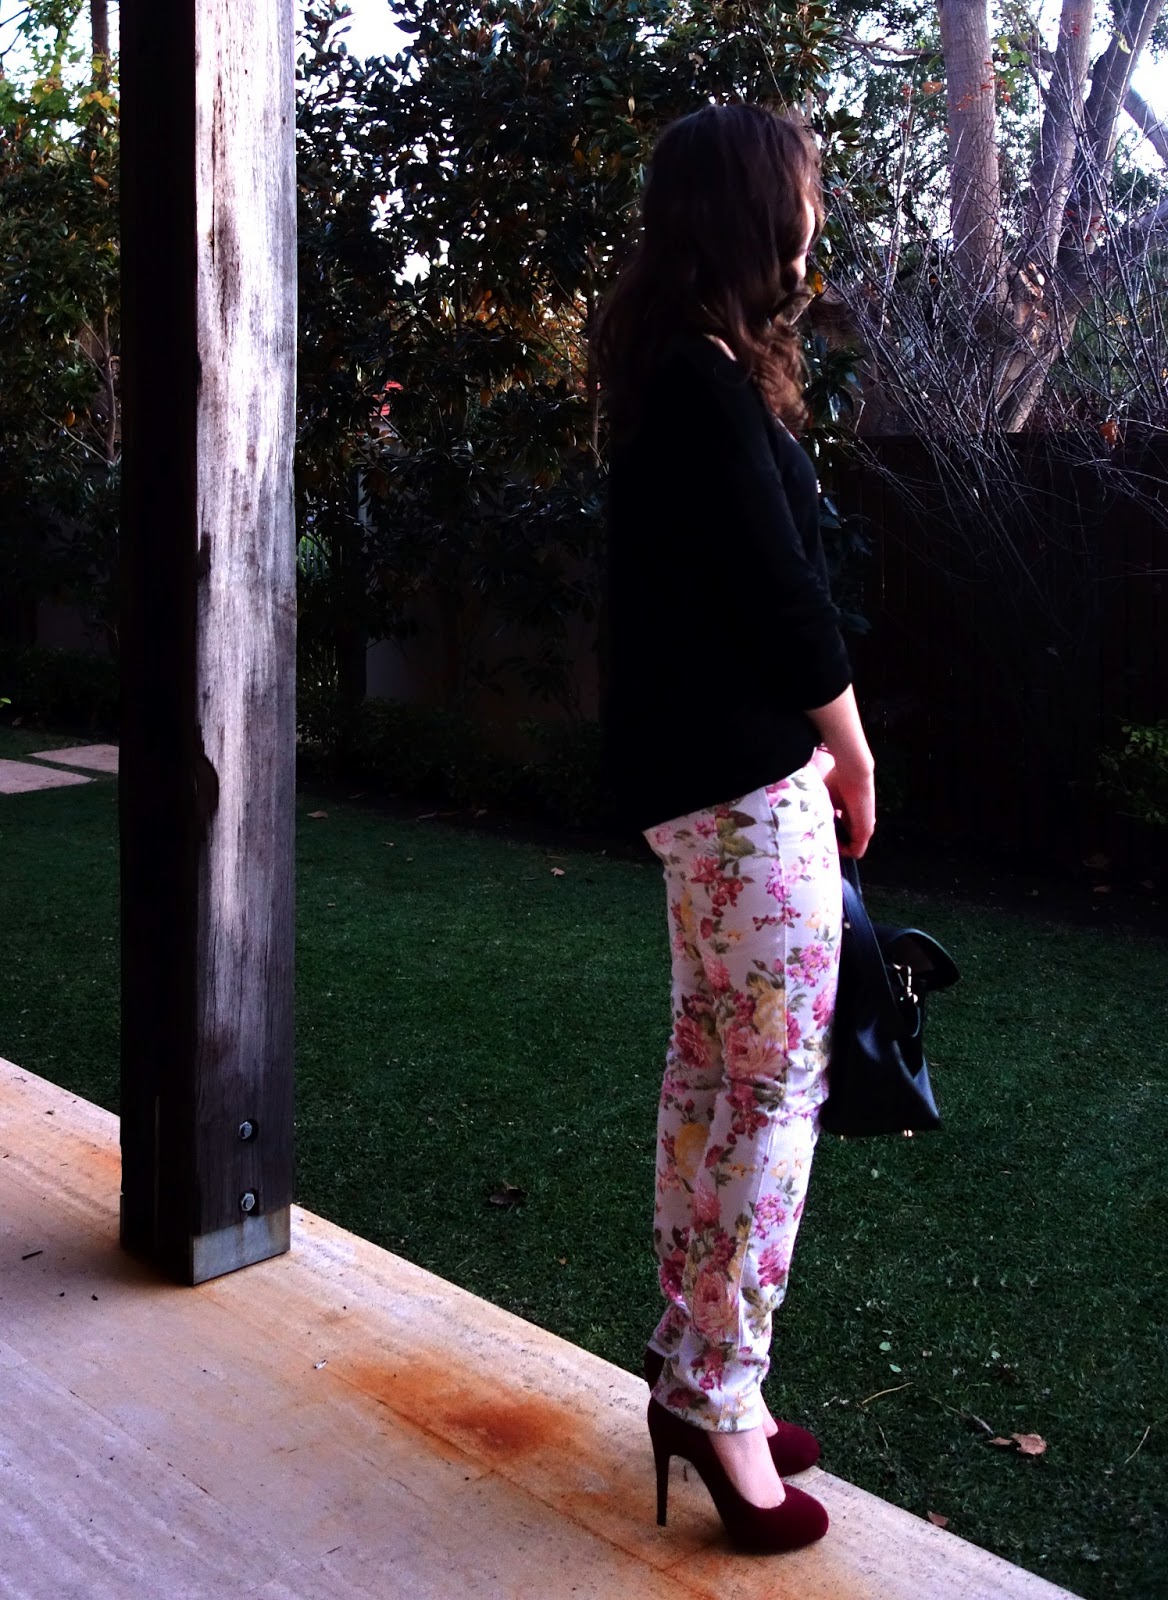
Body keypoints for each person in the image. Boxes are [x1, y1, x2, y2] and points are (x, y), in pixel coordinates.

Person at [594, 104, 876, 1554]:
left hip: (699, 796)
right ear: (758, 212)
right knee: (769, 1096)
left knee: (712, 1074)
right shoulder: (704, 388)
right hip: (750, 796)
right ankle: (718, 1394)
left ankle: (698, 1374)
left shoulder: (676, 373)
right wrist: (853, 748)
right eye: (807, 193)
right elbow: (785, 596)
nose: (817, 219)